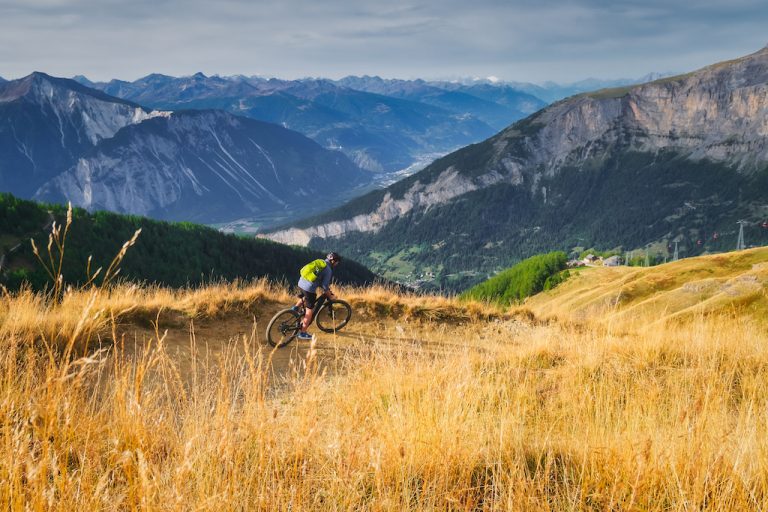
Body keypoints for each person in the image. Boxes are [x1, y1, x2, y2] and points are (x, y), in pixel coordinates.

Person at [294, 252, 342, 340]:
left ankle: (294, 310)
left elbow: (316, 276)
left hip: (301, 282)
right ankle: (303, 333)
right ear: (333, 261)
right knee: (309, 311)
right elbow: (324, 286)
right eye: (337, 262)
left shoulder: (320, 261)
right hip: (309, 288)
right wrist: (330, 296)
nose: (337, 264)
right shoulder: (328, 270)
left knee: (306, 296)